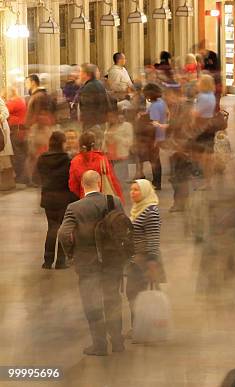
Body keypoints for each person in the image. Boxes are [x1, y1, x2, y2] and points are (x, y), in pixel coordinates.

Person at [57, 170, 125, 356]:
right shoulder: (115, 202)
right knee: (112, 300)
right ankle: (118, 342)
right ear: (99, 184)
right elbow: (124, 228)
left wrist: (71, 254)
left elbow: (63, 234)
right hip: (112, 262)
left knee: (92, 303)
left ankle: (100, 345)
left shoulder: (75, 208)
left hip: (88, 263)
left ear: (82, 185)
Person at [126, 179, 165, 332]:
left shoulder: (151, 212)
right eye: (131, 189)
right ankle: (139, 326)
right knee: (134, 293)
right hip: (136, 259)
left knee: (139, 294)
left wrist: (152, 263)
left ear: (145, 192)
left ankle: (142, 327)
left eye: (136, 190)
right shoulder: (139, 209)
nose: (132, 193)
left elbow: (154, 238)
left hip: (145, 260)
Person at [36, 131, 78, 269]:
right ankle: (61, 261)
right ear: (62, 143)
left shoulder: (42, 158)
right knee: (62, 229)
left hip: (48, 198)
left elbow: (36, 177)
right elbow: (71, 180)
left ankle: (47, 261)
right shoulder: (67, 160)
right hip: (63, 198)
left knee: (51, 228)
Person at [68, 132, 123, 201]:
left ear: (80, 144)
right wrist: (120, 200)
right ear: (94, 144)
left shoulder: (75, 161)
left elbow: (73, 186)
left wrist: (82, 193)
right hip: (103, 200)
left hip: (85, 200)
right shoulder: (102, 159)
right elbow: (112, 181)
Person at [24, 74, 56, 185]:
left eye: (27, 82)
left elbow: (36, 113)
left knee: (36, 154)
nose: (26, 85)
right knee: (37, 154)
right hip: (41, 127)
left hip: (38, 128)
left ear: (33, 82)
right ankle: (37, 178)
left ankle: (36, 178)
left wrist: (28, 125)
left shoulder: (37, 96)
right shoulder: (41, 95)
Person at [142, 83, 168, 190]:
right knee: (155, 159)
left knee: (155, 160)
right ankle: (156, 181)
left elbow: (154, 123)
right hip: (160, 135)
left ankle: (157, 182)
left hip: (154, 136)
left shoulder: (155, 105)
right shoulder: (161, 102)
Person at [78, 63, 112, 143]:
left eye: (81, 72)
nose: (79, 75)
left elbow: (88, 108)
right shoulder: (97, 84)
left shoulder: (89, 87)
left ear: (86, 74)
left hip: (93, 125)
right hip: (99, 123)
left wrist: (86, 125)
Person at [103, 106, 133, 191]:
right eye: (108, 117)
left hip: (121, 157)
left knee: (119, 183)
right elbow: (105, 141)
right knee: (109, 183)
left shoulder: (127, 126)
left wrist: (116, 136)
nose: (110, 119)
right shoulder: (107, 126)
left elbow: (129, 142)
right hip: (108, 158)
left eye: (112, 116)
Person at [4, 87, 27, 184]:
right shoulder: (19, 100)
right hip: (20, 130)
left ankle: (20, 177)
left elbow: (5, 109)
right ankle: (21, 176)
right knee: (20, 154)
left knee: (18, 155)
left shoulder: (14, 101)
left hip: (16, 130)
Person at [0, 95, 15, 190]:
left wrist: (0, 117)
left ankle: (9, 183)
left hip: (1, 133)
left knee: (5, 159)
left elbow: (5, 112)